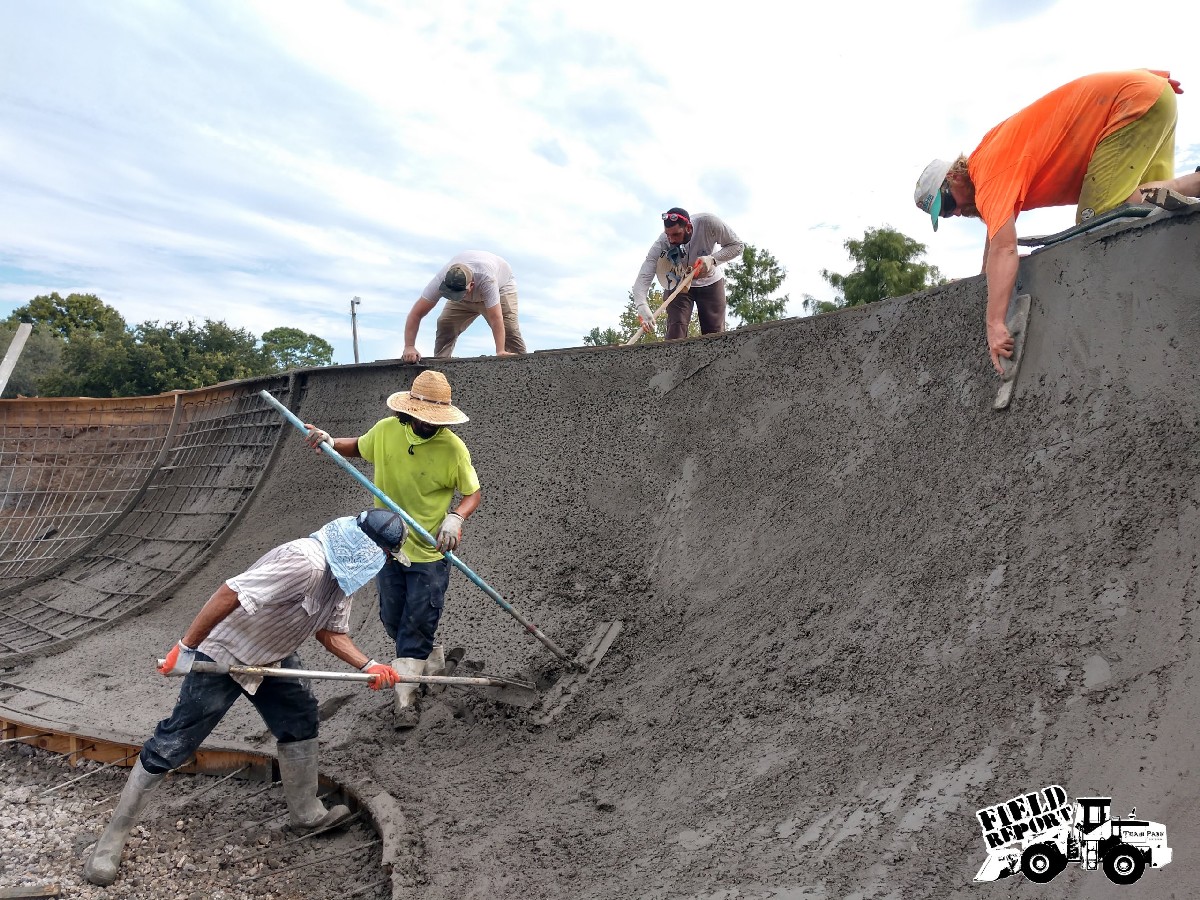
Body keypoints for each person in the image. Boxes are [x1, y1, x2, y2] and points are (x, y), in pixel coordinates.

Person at [83, 510, 407, 887]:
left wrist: (368, 665)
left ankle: (306, 813)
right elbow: (231, 592)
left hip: (272, 657)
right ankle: (111, 841)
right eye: (386, 556)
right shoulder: (305, 562)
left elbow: (330, 631)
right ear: (367, 550)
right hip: (224, 654)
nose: (385, 564)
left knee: (300, 719)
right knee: (176, 741)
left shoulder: (341, 578)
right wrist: (184, 648)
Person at [914, 69, 1200, 374]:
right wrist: (980, 281)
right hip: (1151, 98)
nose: (956, 213)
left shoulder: (989, 176)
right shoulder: (988, 160)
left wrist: (995, 323)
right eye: (946, 214)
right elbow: (996, 237)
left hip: (1130, 105)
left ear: (954, 176)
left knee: (1101, 220)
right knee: (1150, 216)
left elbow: (1005, 249)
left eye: (948, 205)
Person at [304, 369, 480, 727]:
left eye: (435, 420)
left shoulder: (453, 449)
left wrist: (456, 518)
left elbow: (472, 493)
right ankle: (431, 664)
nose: (429, 424)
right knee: (393, 618)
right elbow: (359, 447)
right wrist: (330, 441)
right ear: (408, 412)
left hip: (429, 551)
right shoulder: (386, 431)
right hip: (386, 548)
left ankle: (406, 698)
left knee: (418, 619)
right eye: (423, 417)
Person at [631, 207, 745, 340]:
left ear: (689, 228)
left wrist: (713, 259)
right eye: (668, 235)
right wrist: (641, 305)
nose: (671, 240)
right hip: (679, 283)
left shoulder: (709, 223)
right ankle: (674, 353)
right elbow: (646, 271)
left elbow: (737, 246)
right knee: (675, 332)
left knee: (714, 335)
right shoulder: (663, 241)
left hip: (710, 282)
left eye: (676, 235)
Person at [401, 251, 525, 362]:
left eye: (458, 294)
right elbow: (416, 314)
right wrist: (409, 346)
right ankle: (441, 365)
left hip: (501, 289)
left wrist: (500, 350)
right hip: (465, 297)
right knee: (445, 323)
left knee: (509, 331)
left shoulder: (487, 279)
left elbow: (496, 318)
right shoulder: (441, 280)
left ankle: (523, 367)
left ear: (471, 285)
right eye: (451, 294)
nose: (454, 297)